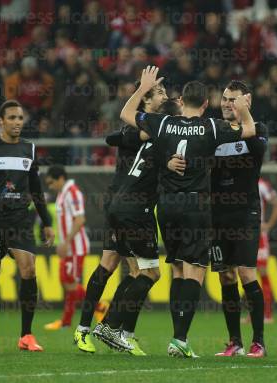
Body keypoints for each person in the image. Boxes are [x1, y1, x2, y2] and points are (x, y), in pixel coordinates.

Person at [120, 66, 256, 358]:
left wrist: (142, 89)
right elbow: (250, 131)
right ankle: (179, 339)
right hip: (195, 206)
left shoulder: (163, 122)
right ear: (206, 105)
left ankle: (177, 337)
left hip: (166, 205)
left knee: (177, 269)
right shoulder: (211, 126)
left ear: (181, 101)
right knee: (195, 271)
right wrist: (243, 108)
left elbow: (126, 115)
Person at [170, 80, 270, 357]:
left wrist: (245, 113)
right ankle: (235, 342)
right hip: (215, 214)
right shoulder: (215, 131)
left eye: (233, 99)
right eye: (224, 99)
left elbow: (259, 151)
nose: (227, 103)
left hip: (245, 212)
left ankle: (258, 341)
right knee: (226, 276)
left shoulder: (257, 129)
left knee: (247, 272)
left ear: (246, 100)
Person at [73, 79, 169, 355]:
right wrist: (137, 135)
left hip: (135, 205)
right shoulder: (137, 128)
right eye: (160, 92)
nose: (164, 95)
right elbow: (111, 138)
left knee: (133, 270)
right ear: (147, 101)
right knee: (116, 267)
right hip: (123, 202)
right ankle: (88, 330)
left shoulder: (156, 128)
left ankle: (122, 331)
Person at [0, 100, 55, 353]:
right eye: (13, 118)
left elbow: (36, 189)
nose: (18, 122)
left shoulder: (30, 149)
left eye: (20, 118)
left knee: (29, 270)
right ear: (1, 122)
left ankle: (26, 335)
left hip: (20, 220)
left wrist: (46, 222)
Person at [43, 166, 90, 331]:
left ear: (60, 178)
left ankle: (99, 308)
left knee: (69, 283)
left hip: (76, 247)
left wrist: (66, 242)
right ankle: (66, 321)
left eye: (51, 182)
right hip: (69, 246)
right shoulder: (62, 193)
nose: (50, 186)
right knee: (67, 282)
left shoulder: (73, 192)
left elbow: (80, 219)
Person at [256, 177, 277, 324]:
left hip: (258, 236)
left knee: (262, 272)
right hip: (242, 234)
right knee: (246, 275)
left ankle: (267, 314)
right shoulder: (240, 180)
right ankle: (253, 314)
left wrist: (267, 226)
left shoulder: (261, 184)